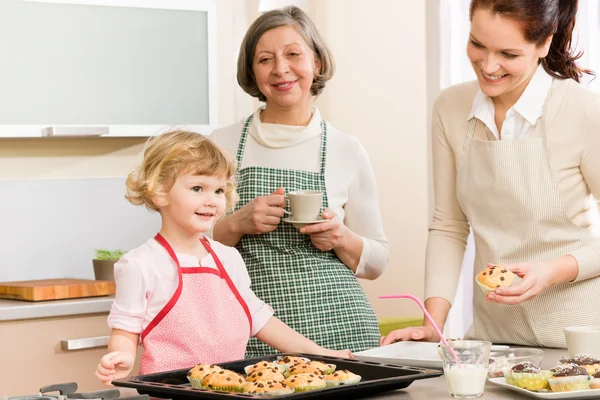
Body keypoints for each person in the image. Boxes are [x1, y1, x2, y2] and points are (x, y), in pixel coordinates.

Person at [382, 0, 600, 347]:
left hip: (580, 340)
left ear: (544, 44)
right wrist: (431, 325)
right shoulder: (450, 108)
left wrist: (554, 270)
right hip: (494, 342)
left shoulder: (583, 112)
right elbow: (449, 226)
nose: (488, 65)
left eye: (508, 54)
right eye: (477, 45)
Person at [95, 131, 351, 385]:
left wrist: (319, 354)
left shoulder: (228, 257)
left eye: (218, 190)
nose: (211, 200)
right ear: (159, 192)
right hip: (171, 392)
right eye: (197, 188)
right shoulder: (141, 264)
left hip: (230, 389)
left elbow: (260, 319)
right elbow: (125, 329)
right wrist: (122, 358)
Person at [211, 6, 389, 357]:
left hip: (341, 329)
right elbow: (188, 246)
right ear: (251, 71)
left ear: (317, 63)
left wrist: (340, 236)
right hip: (254, 332)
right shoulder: (222, 144)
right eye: (265, 59)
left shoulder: (345, 149)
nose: (281, 69)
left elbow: (378, 261)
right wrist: (237, 223)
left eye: (293, 54)